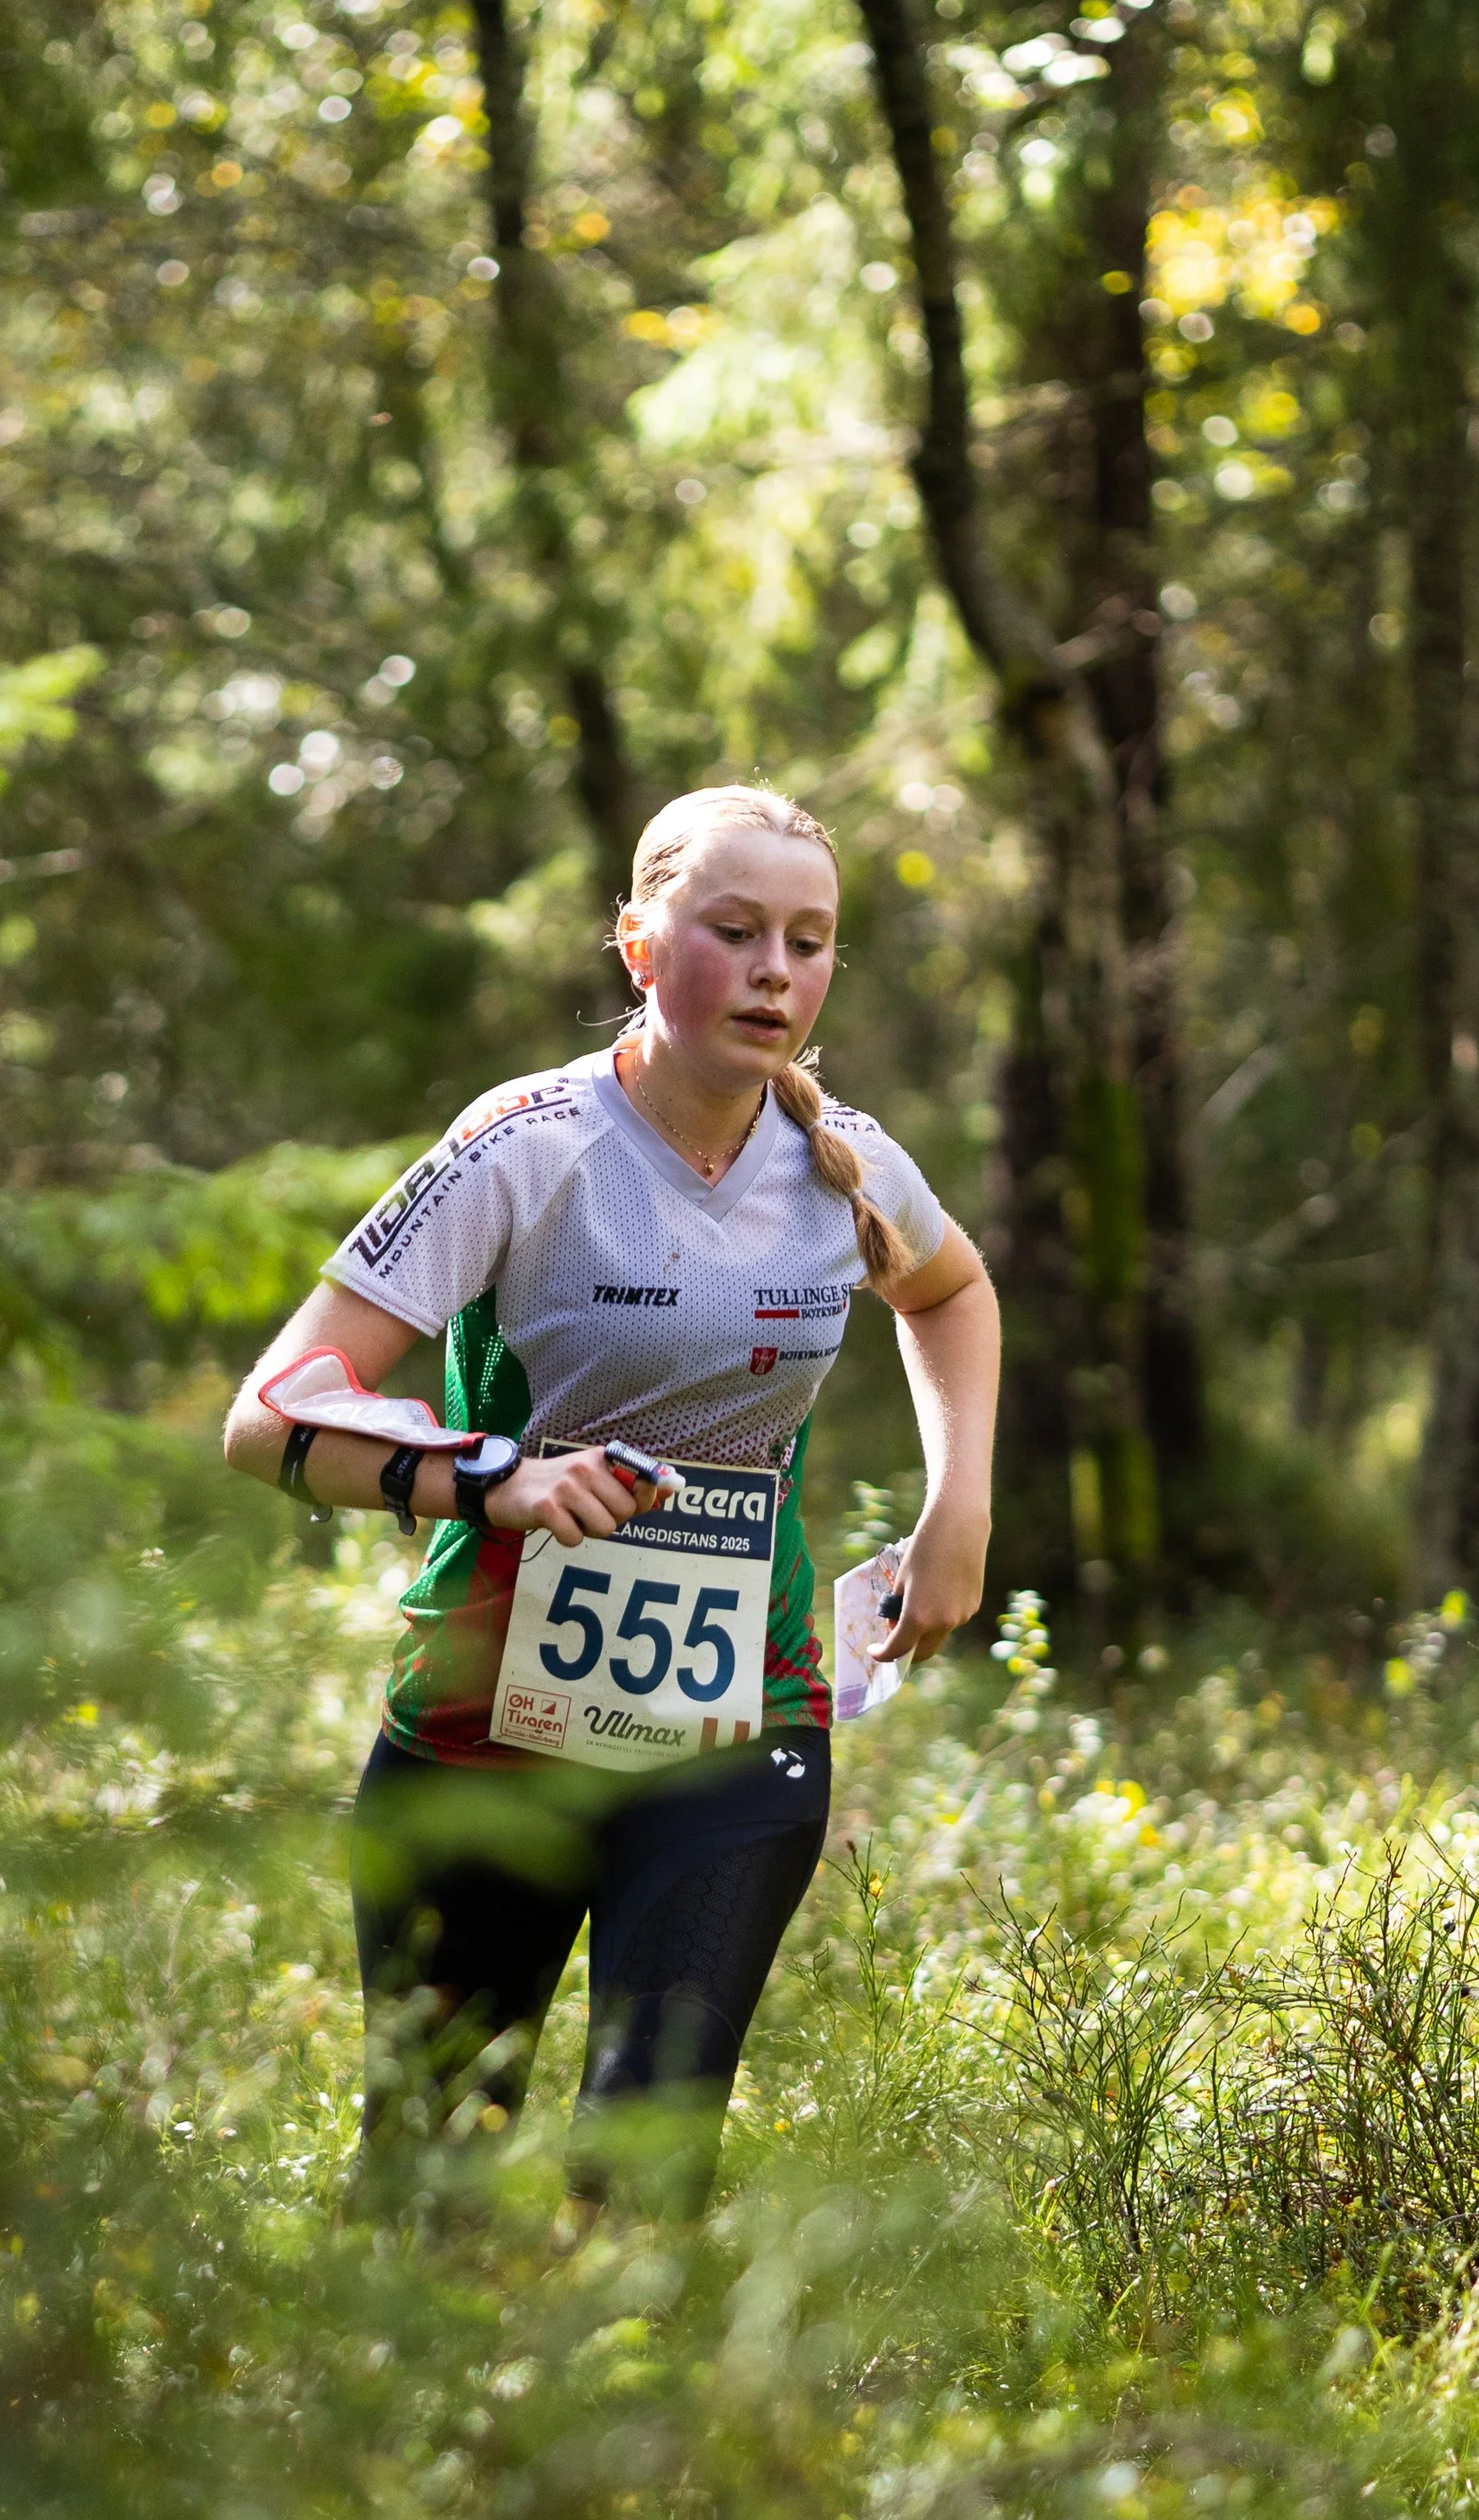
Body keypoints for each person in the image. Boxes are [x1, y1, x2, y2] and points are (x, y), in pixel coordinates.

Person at [222, 784, 999, 2217]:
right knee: (432, 2175)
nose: (777, 968)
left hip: (738, 1721)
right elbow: (271, 1413)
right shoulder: (525, 1146)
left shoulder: (851, 1164)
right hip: (482, 1729)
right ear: (640, 945)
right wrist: (493, 1477)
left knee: (645, 2164)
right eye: (736, 929)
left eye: (811, 941)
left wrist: (962, 1510)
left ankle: (642, 2430)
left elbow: (950, 1292)